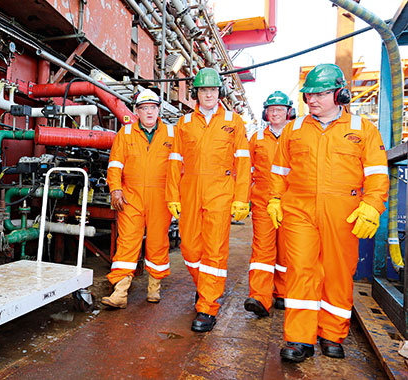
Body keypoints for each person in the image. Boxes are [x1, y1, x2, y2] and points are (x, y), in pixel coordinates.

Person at [268, 63, 389, 362]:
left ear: (340, 94)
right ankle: (299, 339)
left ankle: (331, 333)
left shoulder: (363, 130)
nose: (311, 100)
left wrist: (372, 206)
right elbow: (279, 172)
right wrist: (274, 199)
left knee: (338, 273)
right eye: (309, 95)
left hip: (343, 213)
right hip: (299, 210)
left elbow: (376, 173)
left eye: (320, 94)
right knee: (300, 271)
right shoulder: (294, 130)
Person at [165, 68, 251, 332]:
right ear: (196, 94)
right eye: (204, 90)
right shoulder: (185, 123)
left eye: (213, 90)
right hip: (190, 190)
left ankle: (207, 306)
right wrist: (173, 195)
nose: (209, 94)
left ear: (220, 92)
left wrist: (241, 198)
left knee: (214, 250)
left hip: (220, 192)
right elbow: (174, 162)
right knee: (190, 249)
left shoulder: (233, 121)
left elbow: (243, 161)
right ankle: (204, 287)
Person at [102, 89, 174, 308]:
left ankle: (154, 288)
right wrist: (115, 189)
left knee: (157, 242)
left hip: (161, 198)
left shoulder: (172, 133)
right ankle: (120, 293)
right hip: (131, 197)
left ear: (158, 110)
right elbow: (115, 164)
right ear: (137, 111)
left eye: (153, 107)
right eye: (144, 108)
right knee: (127, 243)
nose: (149, 112)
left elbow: (179, 166)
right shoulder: (125, 133)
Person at [244, 91, 295, 318]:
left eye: (280, 110)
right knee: (262, 248)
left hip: (290, 201)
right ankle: (259, 297)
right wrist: (243, 198)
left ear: (288, 112)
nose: (275, 113)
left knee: (286, 250)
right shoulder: (257, 138)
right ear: (266, 112)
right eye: (272, 110)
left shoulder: (297, 135)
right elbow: (247, 170)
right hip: (262, 201)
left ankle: (282, 292)